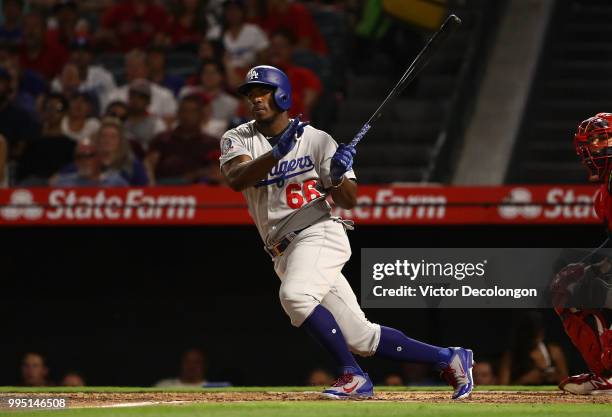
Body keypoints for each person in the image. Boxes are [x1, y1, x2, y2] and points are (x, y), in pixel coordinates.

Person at [219, 65, 474, 400]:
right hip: (281, 250)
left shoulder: (317, 139)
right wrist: (275, 155)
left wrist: (338, 176)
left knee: (295, 297)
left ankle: (352, 375)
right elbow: (237, 179)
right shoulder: (238, 137)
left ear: (281, 94)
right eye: (251, 95)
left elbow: (348, 200)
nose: (255, 100)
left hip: (318, 233)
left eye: (262, 92)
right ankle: (448, 357)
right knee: (360, 336)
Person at [552, 112, 612, 394]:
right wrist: (590, 267)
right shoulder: (605, 191)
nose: (597, 147)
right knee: (571, 285)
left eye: (603, 138)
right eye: (595, 141)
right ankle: (605, 374)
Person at [146, 94, 221, 184]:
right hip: (164, 189)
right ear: (177, 113)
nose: (187, 115)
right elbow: (149, 165)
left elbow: (219, 171)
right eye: (183, 111)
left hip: (200, 191)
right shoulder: (161, 139)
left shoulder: (212, 143)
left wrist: (197, 174)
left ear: (201, 115)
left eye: (193, 111)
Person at [104, 49, 177, 123]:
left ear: (147, 69)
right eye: (130, 67)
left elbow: (171, 120)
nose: (134, 71)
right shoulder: (114, 96)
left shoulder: (165, 95)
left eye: (137, 67)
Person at [17, 93, 75, 185]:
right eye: (48, 108)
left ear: (65, 113)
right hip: (32, 187)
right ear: (43, 112)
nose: (52, 112)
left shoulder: (71, 145)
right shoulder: (32, 142)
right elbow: (21, 173)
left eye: (58, 109)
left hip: (60, 186)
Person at [499, 312, 568, 386]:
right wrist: (525, 380)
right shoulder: (511, 356)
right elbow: (503, 387)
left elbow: (566, 381)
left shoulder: (554, 352)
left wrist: (555, 376)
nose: (539, 337)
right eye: (533, 335)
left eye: (540, 332)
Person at [266, 29, 322, 120]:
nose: (275, 50)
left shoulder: (304, 74)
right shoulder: (259, 74)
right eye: (273, 46)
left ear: (291, 49)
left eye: (281, 46)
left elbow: (306, 106)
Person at [51, 38, 116, 108]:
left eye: (84, 51)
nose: (80, 55)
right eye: (76, 51)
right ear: (69, 55)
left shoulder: (103, 76)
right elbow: (57, 107)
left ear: (91, 56)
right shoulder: (59, 82)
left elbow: (114, 99)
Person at [179, 59, 238, 126]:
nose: (209, 76)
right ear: (200, 75)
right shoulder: (187, 92)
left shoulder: (232, 102)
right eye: (205, 72)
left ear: (222, 76)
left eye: (213, 72)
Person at [52, 137, 128, 187]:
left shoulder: (116, 183)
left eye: (89, 156)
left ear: (99, 157)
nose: (84, 160)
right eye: (79, 157)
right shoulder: (63, 184)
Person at [97, 0, 171, 52]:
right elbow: (101, 32)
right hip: (120, 55)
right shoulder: (118, 9)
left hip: (149, 57)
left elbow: (165, 36)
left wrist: (158, 41)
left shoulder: (159, 11)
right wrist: (114, 37)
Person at [19, 12, 68, 80]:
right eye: (26, 26)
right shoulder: (16, 52)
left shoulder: (58, 53)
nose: (30, 31)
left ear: (44, 30)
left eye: (35, 26)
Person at [123, 79, 166, 152]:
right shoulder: (121, 121)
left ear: (148, 101)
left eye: (141, 98)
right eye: (133, 96)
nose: (135, 100)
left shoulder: (157, 124)